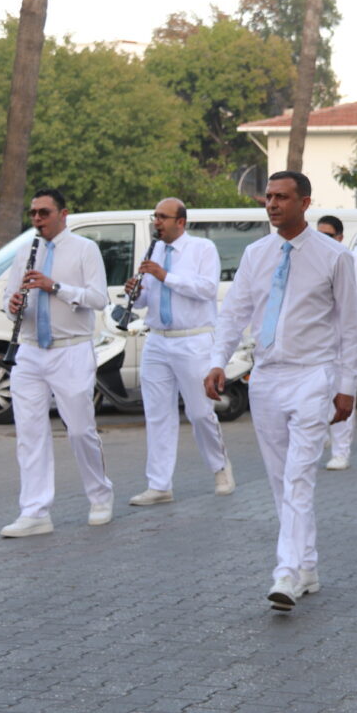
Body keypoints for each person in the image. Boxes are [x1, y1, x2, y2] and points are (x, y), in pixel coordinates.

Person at [205, 171, 357, 612]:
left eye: (281, 197)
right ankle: (307, 564)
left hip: (313, 377)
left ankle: (286, 573)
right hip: (267, 377)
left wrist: (346, 386)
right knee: (280, 481)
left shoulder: (335, 257)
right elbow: (234, 312)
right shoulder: (257, 254)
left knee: (298, 476)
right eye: (268, 197)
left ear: (305, 203)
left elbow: (351, 327)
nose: (272, 204)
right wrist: (217, 360)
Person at [0, 189, 113, 537]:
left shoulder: (85, 249)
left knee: (79, 429)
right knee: (30, 432)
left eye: (44, 213)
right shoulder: (25, 252)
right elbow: (5, 299)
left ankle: (100, 496)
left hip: (71, 348)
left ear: (63, 214)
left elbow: (98, 298)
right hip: (31, 349)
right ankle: (35, 511)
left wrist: (55, 287)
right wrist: (14, 304)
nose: (37, 219)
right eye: (33, 213)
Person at [125, 198, 234, 507]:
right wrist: (137, 289)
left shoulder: (202, 249)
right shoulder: (155, 251)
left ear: (181, 222)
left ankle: (220, 466)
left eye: (163, 217)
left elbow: (206, 289)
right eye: (155, 216)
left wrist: (164, 276)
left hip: (193, 340)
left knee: (200, 412)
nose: (156, 222)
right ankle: (159, 485)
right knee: (157, 414)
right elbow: (147, 301)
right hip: (158, 339)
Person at [317, 216, 357, 471]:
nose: (323, 240)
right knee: (318, 392)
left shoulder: (354, 260)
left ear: (339, 237)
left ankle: (341, 452)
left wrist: (336, 288)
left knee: (342, 391)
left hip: (345, 336)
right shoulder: (312, 260)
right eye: (319, 234)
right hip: (319, 337)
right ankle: (322, 438)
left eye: (328, 235)